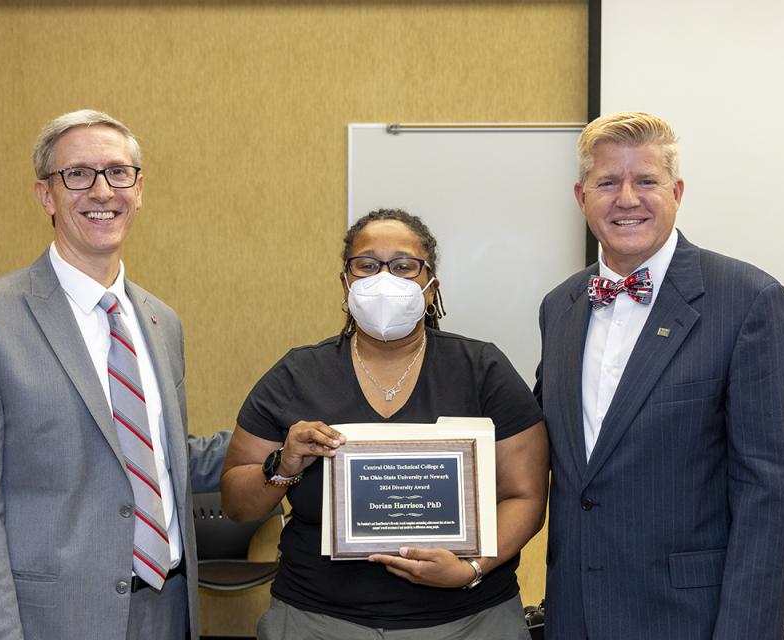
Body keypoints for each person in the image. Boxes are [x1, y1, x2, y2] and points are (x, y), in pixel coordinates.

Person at [0, 109, 230, 640]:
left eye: (118, 172)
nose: (102, 191)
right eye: (78, 174)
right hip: (46, 623)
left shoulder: (162, 322)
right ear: (46, 195)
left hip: (169, 610)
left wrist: (277, 444)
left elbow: (157, 456)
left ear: (139, 189)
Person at [535, 112, 784, 639]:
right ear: (581, 196)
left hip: (691, 622)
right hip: (574, 615)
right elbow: (539, 445)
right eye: (607, 183)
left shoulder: (749, 301)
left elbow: (774, 496)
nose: (627, 199)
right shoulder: (560, 306)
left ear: (677, 191)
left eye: (645, 181)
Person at [220, 209, 549, 639]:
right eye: (368, 265)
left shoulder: (482, 369)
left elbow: (525, 495)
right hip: (317, 619)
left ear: (431, 287)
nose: (384, 278)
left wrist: (470, 569)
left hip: (469, 619)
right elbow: (237, 504)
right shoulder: (297, 374)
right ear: (346, 282)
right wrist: (283, 466)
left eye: (403, 266)